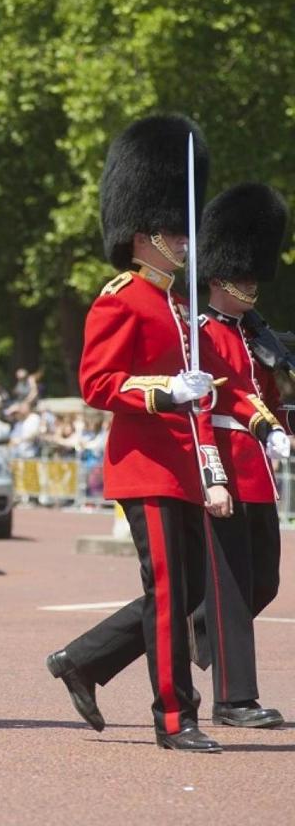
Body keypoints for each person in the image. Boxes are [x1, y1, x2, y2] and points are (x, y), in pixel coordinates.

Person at [45, 115, 232, 753]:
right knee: (170, 591)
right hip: (144, 468)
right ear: (141, 236)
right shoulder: (121, 298)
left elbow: (199, 399)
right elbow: (99, 383)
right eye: (172, 232)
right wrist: (163, 391)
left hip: (181, 467)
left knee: (189, 595)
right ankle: (175, 717)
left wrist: (211, 467)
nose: (184, 241)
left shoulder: (180, 306)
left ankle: (85, 662)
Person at [188, 183, 290, 729]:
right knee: (228, 589)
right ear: (219, 274)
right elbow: (203, 407)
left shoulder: (254, 335)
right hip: (225, 467)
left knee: (263, 583)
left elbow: (269, 402)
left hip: (258, 473)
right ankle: (234, 699)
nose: (251, 281)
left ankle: (94, 655)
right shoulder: (200, 333)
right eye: (242, 273)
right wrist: (212, 475)